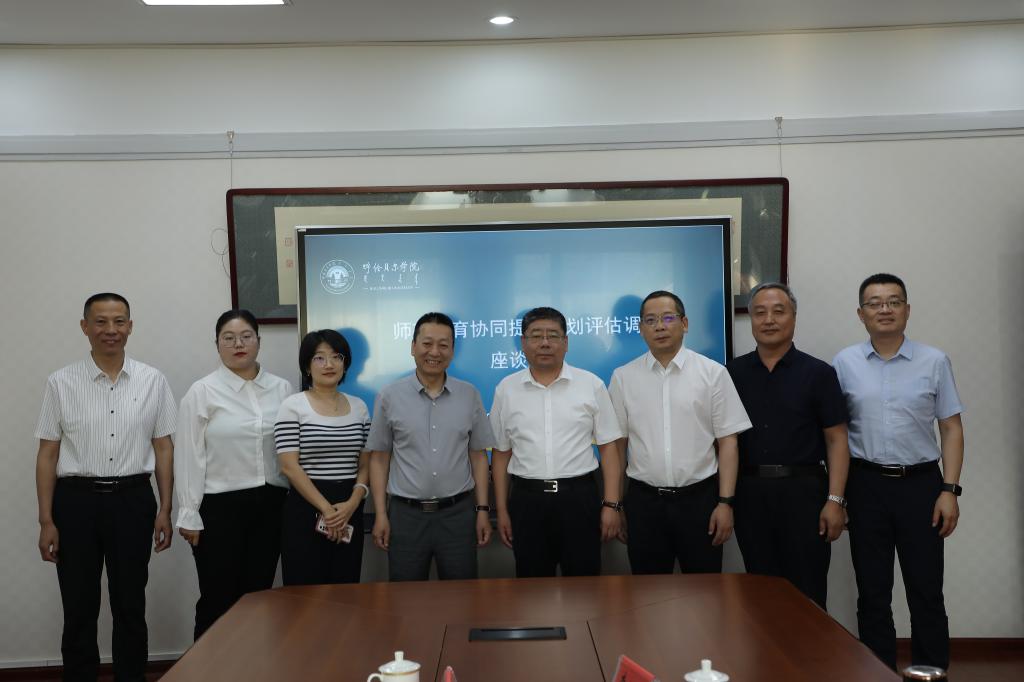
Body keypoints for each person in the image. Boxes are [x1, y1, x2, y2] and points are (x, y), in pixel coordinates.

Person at [35, 293, 176, 682]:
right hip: (75, 503)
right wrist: (46, 520)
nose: (110, 330)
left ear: (130, 326)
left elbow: (164, 447)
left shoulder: (153, 380)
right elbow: (47, 454)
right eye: (100, 321)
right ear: (85, 327)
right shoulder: (61, 382)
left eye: (119, 321)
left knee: (130, 603)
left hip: (133, 500)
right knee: (78, 605)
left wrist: (165, 509)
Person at [833, 273, 964, 670]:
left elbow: (951, 428)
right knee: (873, 594)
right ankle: (880, 674)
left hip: (921, 486)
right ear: (861, 314)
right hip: (865, 486)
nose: (885, 309)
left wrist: (949, 490)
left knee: (926, 592)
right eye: (874, 303)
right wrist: (838, 495)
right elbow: (836, 434)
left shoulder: (934, 361)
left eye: (894, 301)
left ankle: (931, 672)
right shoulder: (844, 363)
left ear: (907, 310)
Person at [726, 283, 850, 609]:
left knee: (808, 593)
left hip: (805, 494)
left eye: (778, 311)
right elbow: (725, 442)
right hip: (750, 495)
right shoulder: (732, 373)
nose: (769, 320)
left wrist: (835, 500)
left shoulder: (819, 373)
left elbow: (837, 439)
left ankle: (810, 646)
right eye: (760, 312)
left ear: (794, 317)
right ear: (751, 319)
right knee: (760, 593)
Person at [608, 291, 750, 575]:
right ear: (641, 329)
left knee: (704, 591)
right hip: (644, 503)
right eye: (650, 320)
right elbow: (618, 447)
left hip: (700, 502)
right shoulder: (623, 377)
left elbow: (728, 442)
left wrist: (725, 503)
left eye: (668, 318)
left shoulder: (712, 373)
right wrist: (617, 504)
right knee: (647, 591)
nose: (659, 326)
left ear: (684, 323)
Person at [174, 309, 293, 639]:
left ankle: (253, 664)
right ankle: (208, 665)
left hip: (271, 504)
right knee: (218, 598)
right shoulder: (202, 392)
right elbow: (188, 455)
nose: (238, 344)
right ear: (217, 344)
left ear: (259, 341)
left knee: (258, 597)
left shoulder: (281, 389)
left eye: (246, 337)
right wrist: (189, 512)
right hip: (219, 508)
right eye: (228, 338)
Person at [490, 306, 623, 578]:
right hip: (527, 500)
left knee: (584, 581)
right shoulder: (507, 389)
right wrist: (502, 510)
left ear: (566, 342)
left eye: (553, 335)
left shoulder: (591, 385)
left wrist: (611, 504)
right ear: (523, 343)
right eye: (536, 336)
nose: (545, 343)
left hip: (579, 498)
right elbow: (501, 454)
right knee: (532, 584)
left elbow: (609, 449)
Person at [367, 312, 494, 581]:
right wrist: (380, 514)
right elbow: (379, 459)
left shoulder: (469, 394)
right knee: (406, 597)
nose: (434, 352)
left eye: (443, 345)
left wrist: (483, 510)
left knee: (462, 595)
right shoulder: (389, 396)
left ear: (452, 350)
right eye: (427, 344)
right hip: (405, 516)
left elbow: (478, 457)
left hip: (458, 515)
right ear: (413, 346)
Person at [275, 329, 371, 585]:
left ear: (345, 363)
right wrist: (327, 511)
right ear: (307, 366)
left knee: (346, 590)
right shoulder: (292, 406)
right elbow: (289, 466)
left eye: (336, 357)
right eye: (319, 358)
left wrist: (353, 502)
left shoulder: (360, 407)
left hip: (349, 507)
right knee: (305, 595)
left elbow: (365, 463)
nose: (329, 364)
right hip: (306, 506)